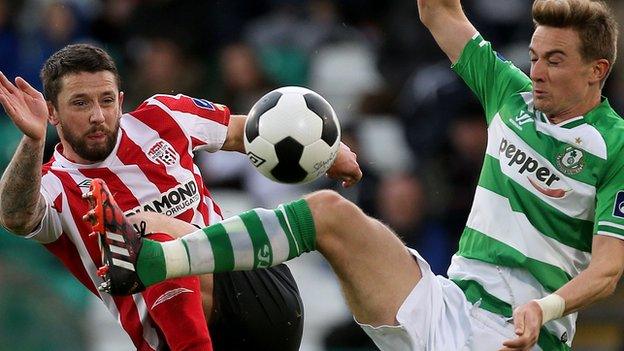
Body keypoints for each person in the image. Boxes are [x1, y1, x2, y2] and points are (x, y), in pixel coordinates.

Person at [86, 0, 624, 350]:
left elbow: (607, 271)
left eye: (554, 60)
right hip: (451, 301)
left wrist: (545, 307)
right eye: (533, 56)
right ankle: (152, 260)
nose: (536, 71)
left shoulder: (615, 146)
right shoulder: (510, 94)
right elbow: (439, 11)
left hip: (521, 334)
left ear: (597, 70)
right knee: (330, 214)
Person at [0, 44, 361, 350]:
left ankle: (140, 234)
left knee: (148, 238)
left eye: (107, 100)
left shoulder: (163, 116)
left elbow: (245, 131)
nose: (98, 116)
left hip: (253, 286)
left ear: (121, 101)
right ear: (52, 113)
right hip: (173, 332)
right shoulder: (52, 187)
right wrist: (33, 141)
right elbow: (15, 217)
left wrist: (327, 151)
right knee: (148, 244)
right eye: (80, 104)